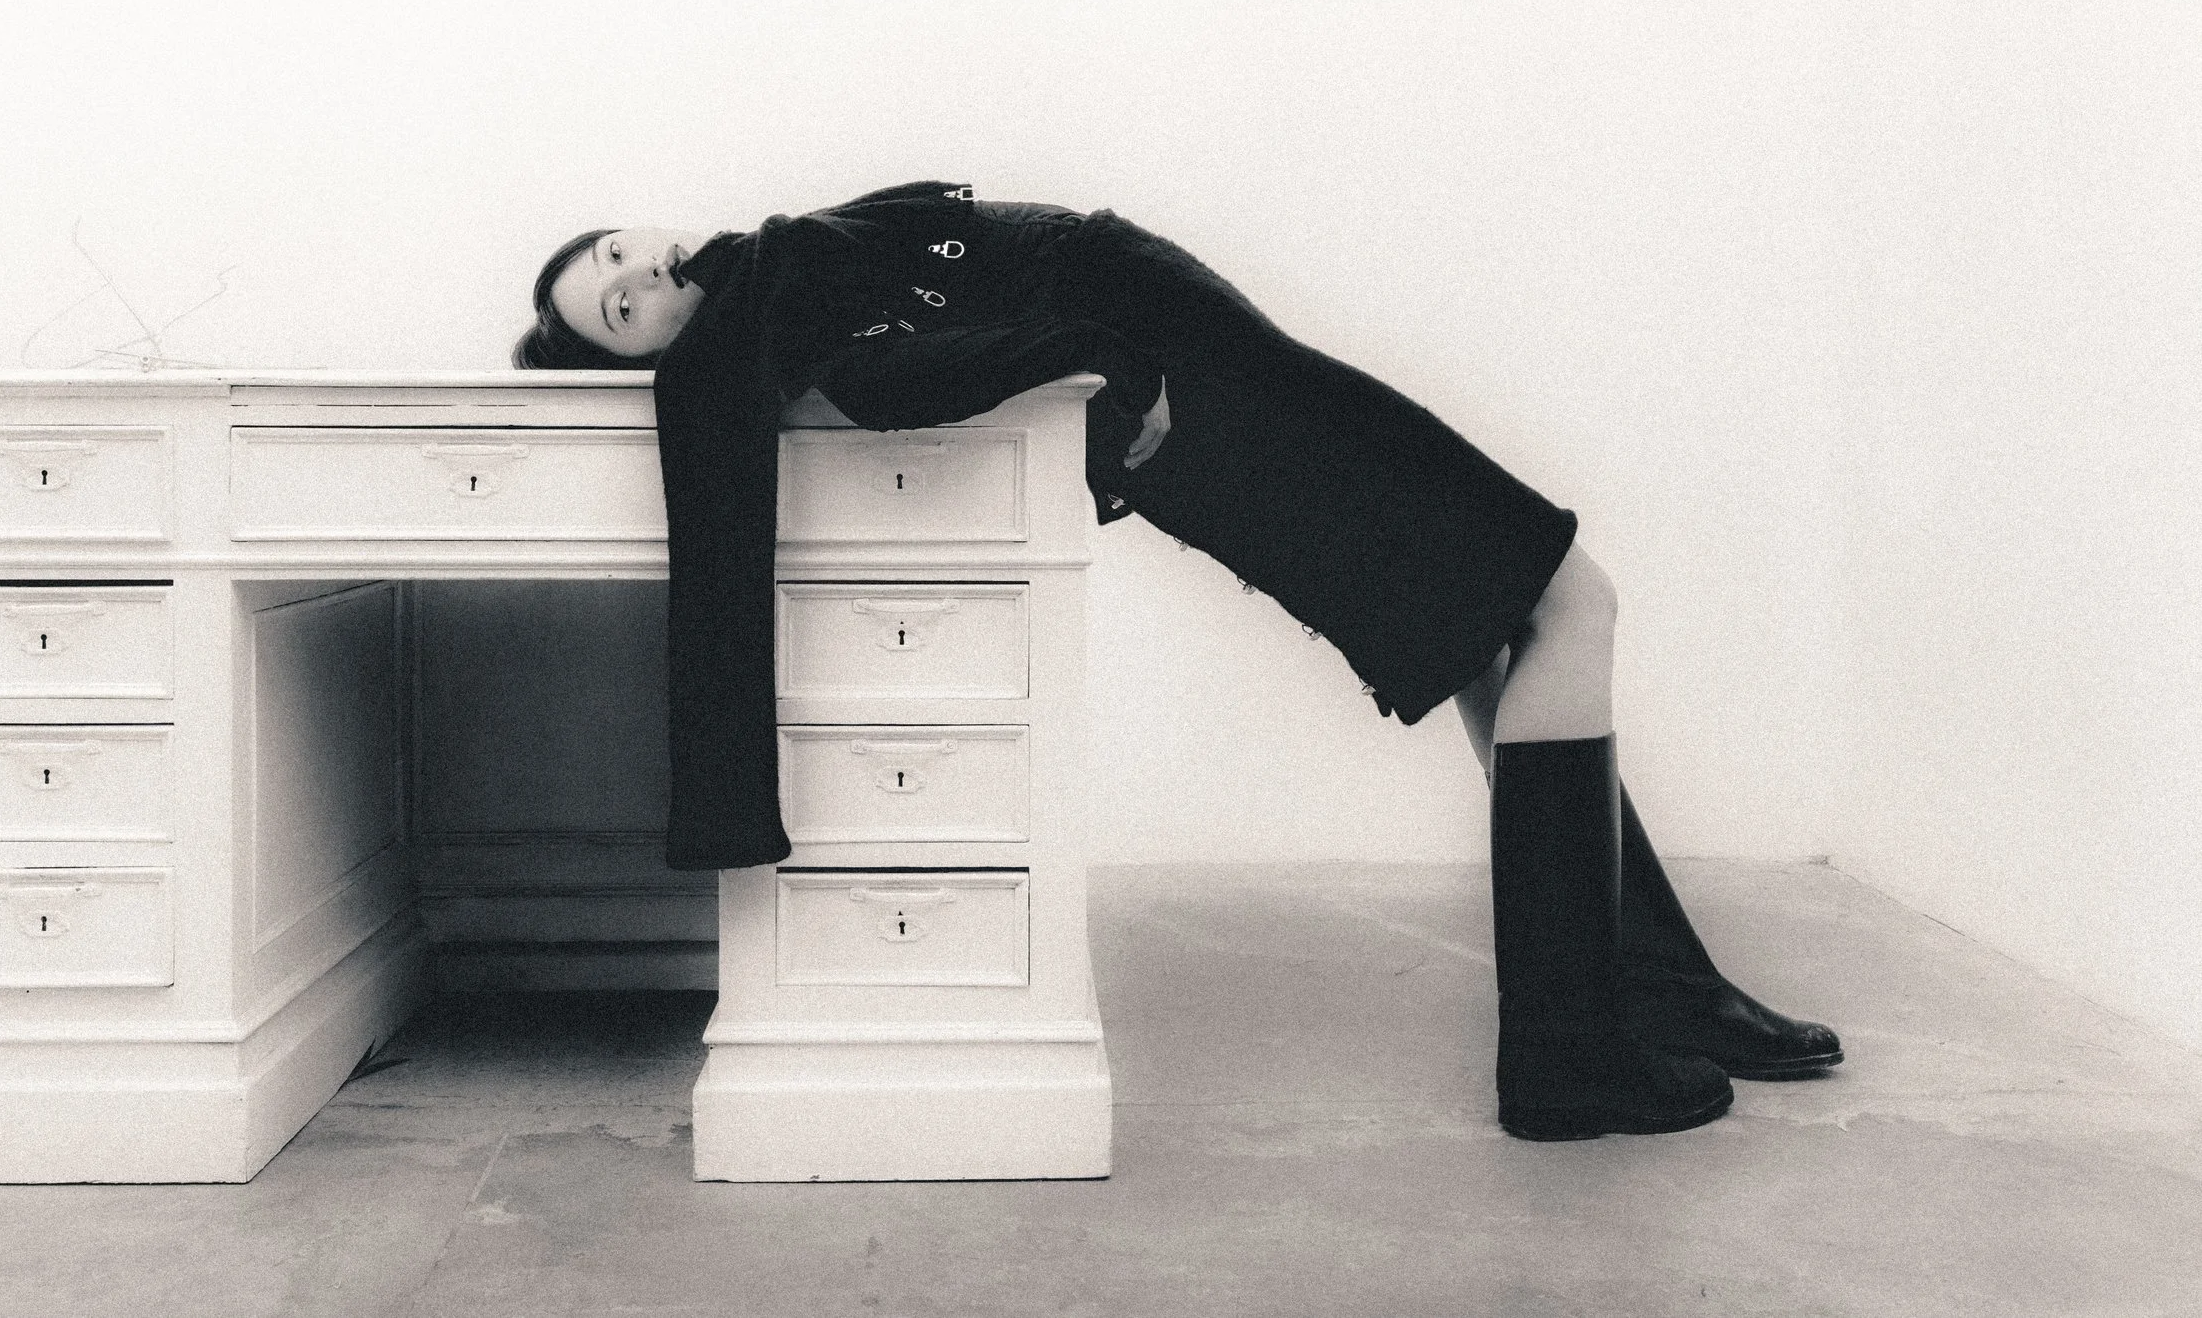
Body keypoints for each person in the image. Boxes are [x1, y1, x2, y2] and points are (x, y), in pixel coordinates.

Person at [511, 181, 1841, 1142]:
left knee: (1492, 627)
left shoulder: (767, 278)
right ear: (633, 351)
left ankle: (1654, 988)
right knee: (1565, 597)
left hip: (1205, 372)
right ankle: (1570, 1053)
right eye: (617, 307)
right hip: (1206, 392)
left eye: (621, 251)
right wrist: (1102, 353)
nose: (643, 276)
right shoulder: (762, 317)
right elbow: (893, 381)